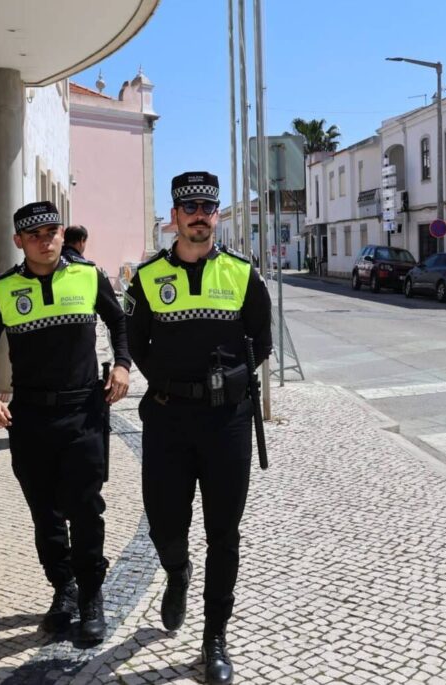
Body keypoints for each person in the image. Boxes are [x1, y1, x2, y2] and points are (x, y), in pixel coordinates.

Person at [125, 172, 272, 684]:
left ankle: (214, 639)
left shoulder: (242, 273)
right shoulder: (147, 278)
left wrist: (232, 379)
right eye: (189, 208)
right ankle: (177, 571)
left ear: (215, 214)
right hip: (168, 417)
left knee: (224, 533)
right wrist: (167, 380)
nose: (199, 216)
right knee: (163, 523)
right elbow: (135, 342)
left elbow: (262, 340)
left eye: (207, 207)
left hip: (226, 421)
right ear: (175, 217)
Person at [0, 201, 130, 644]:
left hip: (83, 411)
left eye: (52, 231)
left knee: (85, 506)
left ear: (61, 234)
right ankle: (64, 589)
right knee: (45, 511)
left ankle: (91, 595)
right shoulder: (3, 289)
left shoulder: (89, 276)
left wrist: (122, 365)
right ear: (18, 241)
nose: (45, 240)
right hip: (31, 417)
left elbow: (120, 322)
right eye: (34, 235)